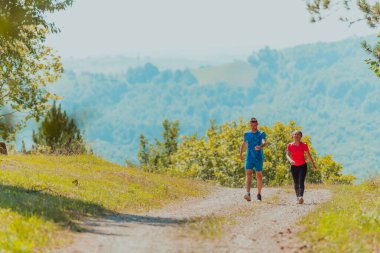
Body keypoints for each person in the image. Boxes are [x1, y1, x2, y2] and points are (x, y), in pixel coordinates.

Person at [286, 130, 317, 204]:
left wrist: (313, 165)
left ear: (300, 136)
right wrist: (290, 160)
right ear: (292, 136)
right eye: (295, 134)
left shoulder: (304, 145)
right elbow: (287, 155)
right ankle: (297, 197)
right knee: (296, 182)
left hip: (302, 166)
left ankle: (301, 197)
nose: (296, 136)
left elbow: (308, 155)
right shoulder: (290, 145)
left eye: (298, 134)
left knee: (301, 181)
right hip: (294, 166)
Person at [240, 117, 266, 202]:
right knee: (248, 174)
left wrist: (260, 146)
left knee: (259, 175)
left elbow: (263, 142)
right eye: (251, 125)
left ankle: (259, 194)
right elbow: (244, 144)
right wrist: (241, 154)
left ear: (257, 125)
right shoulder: (247, 134)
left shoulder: (261, 133)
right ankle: (248, 193)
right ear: (250, 125)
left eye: (254, 125)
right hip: (249, 157)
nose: (253, 127)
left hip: (258, 157)